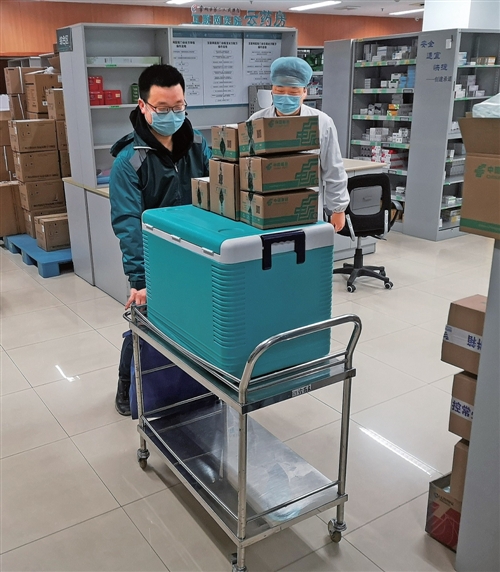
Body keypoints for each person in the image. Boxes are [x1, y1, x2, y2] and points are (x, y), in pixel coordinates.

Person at [109, 64, 211, 415]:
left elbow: (217, 194)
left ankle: (191, 385)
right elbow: (128, 223)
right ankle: (126, 384)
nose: (173, 115)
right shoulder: (130, 161)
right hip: (156, 261)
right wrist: (139, 280)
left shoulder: (198, 145)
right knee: (145, 322)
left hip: (197, 253)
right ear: (143, 106)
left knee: (193, 320)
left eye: (179, 106)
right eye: (163, 109)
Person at [249, 56, 349, 232]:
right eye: (280, 90)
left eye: (293, 91)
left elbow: (333, 168)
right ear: (272, 90)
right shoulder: (256, 121)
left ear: (304, 92)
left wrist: (338, 208)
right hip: (266, 208)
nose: (285, 96)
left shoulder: (321, 122)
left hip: (306, 208)